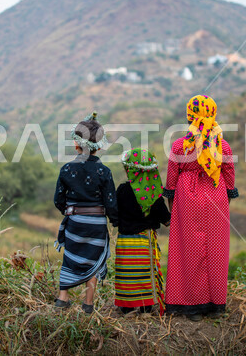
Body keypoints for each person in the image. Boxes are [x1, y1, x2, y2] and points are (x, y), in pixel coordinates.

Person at [163, 95, 239, 321]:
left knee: (188, 250)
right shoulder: (222, 144)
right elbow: (229, 176)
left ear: (189, 116)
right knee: (215, 250)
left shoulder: (180, 145)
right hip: (216, 195)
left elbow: (171, 178)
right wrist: (224, 200)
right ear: (213, 114)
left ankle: (191, 306)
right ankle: (215, 306)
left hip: (187, 197)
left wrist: (172, 204)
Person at [54, 112, 118, 314]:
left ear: (76, 144)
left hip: (74, 222)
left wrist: (70, 212)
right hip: (96, 224)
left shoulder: (66, 169)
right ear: (99, 146)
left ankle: (62, 298)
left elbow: (58, 199)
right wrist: (115, 221)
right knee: (94, 259)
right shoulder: (104, 172)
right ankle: (88, 304)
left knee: (70, 256)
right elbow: (111, 204)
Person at [114, 148, 170, 315]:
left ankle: (126, 306)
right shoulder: (154, 194)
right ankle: (146, 307)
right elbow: (167, 220)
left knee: (127, 274)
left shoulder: (122, 190)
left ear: (129, 170)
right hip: (145, 241)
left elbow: (114, 213)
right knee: (146, 274)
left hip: (125, 241)